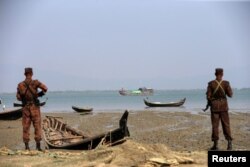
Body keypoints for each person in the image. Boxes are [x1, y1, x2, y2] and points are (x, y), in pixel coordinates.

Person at [16, 67, 48, 151]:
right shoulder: (35, 82)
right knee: (37, 126)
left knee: (26, 127)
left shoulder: (20, 85)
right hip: (35, 108)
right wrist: (39, 94)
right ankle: (38, 146)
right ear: (32, 74)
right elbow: (45, 88)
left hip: (25, 109)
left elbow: (18, 98)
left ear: (24, 74)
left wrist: (24, 97)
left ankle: (27, 147)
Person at [206, 68, 233, 150]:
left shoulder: (211, 84)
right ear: (222, 74)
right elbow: (230, 95)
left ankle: (215, 145)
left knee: (215, 126)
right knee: (226, 125)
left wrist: (211, 101)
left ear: (215, 74)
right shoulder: (226, 83)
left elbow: (208, 97)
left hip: (214, 107)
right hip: (224, 107)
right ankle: (229, 144)